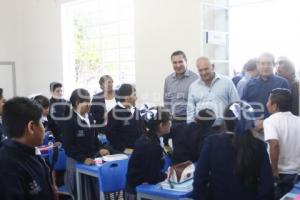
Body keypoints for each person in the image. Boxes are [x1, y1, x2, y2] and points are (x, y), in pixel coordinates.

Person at [193, 101, 274, 200]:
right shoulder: (259, 146)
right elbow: (267, 185)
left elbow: (199, 178)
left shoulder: (212, 142)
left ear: (225, 121)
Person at [0, 97, 57, 200]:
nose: (43, 128)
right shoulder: (7, 168)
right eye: (41, 123)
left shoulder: (31, 150)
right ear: (31, 127)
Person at [62, 88, 111, 199]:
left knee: (94, 194)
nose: (89, 105)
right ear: (77, 103)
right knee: (82, 195)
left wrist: (100, 149)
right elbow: (68, 147)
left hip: (91, 162)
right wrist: (83, 159)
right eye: (86, 102)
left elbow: (94, 138)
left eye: (90, 101)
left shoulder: (90, 117)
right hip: (76, 163)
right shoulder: (68, 121)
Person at [125, 106, 171, 200]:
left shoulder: (148, 137)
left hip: (139, 183)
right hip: (138, 190)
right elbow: (152, 178)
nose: (170, 124)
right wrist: (168, 175)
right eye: (169, 122)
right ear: (161, 125)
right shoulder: (152, 145)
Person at [264, 88, 300, 199]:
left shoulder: (270, 121)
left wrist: (274, 171)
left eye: (268, 101)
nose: (266, 104)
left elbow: (274, 144)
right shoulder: (298, 120)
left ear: (275, 106)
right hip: (297, 173)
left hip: (281, 173)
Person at [187, 56, 239, 122]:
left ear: (213, 66)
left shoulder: (227, 82)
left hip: (223, 127)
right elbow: (190, 111)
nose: (203, 73)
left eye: (206, 69)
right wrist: (190, 128)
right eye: (200, 70)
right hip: (201, 128)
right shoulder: (193, 86)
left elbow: (236, 104)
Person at [241, 53, 289, 120]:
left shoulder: (283, 83)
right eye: (262, 63)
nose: (266, 66)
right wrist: (252, 124)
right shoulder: (249, 84)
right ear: (257, 65)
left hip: (276, 126)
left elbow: (287, 109)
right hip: (254, 128)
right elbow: (243, 107)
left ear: (274, 65)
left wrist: (266, 123)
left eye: (269, 63)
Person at [106, 84, 144, 153]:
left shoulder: (136, 111)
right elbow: (111, 136)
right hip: (122, 153)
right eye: (134, 95)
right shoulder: (114, 113)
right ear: (127, 98)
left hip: (138, 151)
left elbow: (142, 131)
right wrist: (123, 149)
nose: (136, 98)